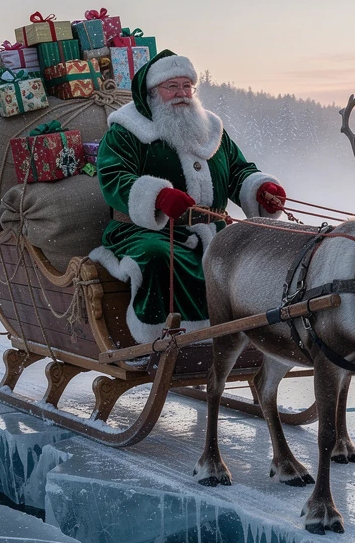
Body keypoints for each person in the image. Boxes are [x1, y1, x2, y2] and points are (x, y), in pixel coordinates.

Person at [91, 50, 287, 343]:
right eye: (172, 87)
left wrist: (260, 189)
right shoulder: (126, 131)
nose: (181, 94)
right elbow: (114, 177)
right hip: (143, 229)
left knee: (247, 254)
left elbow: (237, 170)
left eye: (187, 86)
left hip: (211, 229)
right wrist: (157, 197)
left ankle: (239, 335)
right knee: (158, 256)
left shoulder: (210, 127)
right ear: (153, 93)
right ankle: (160, 338)